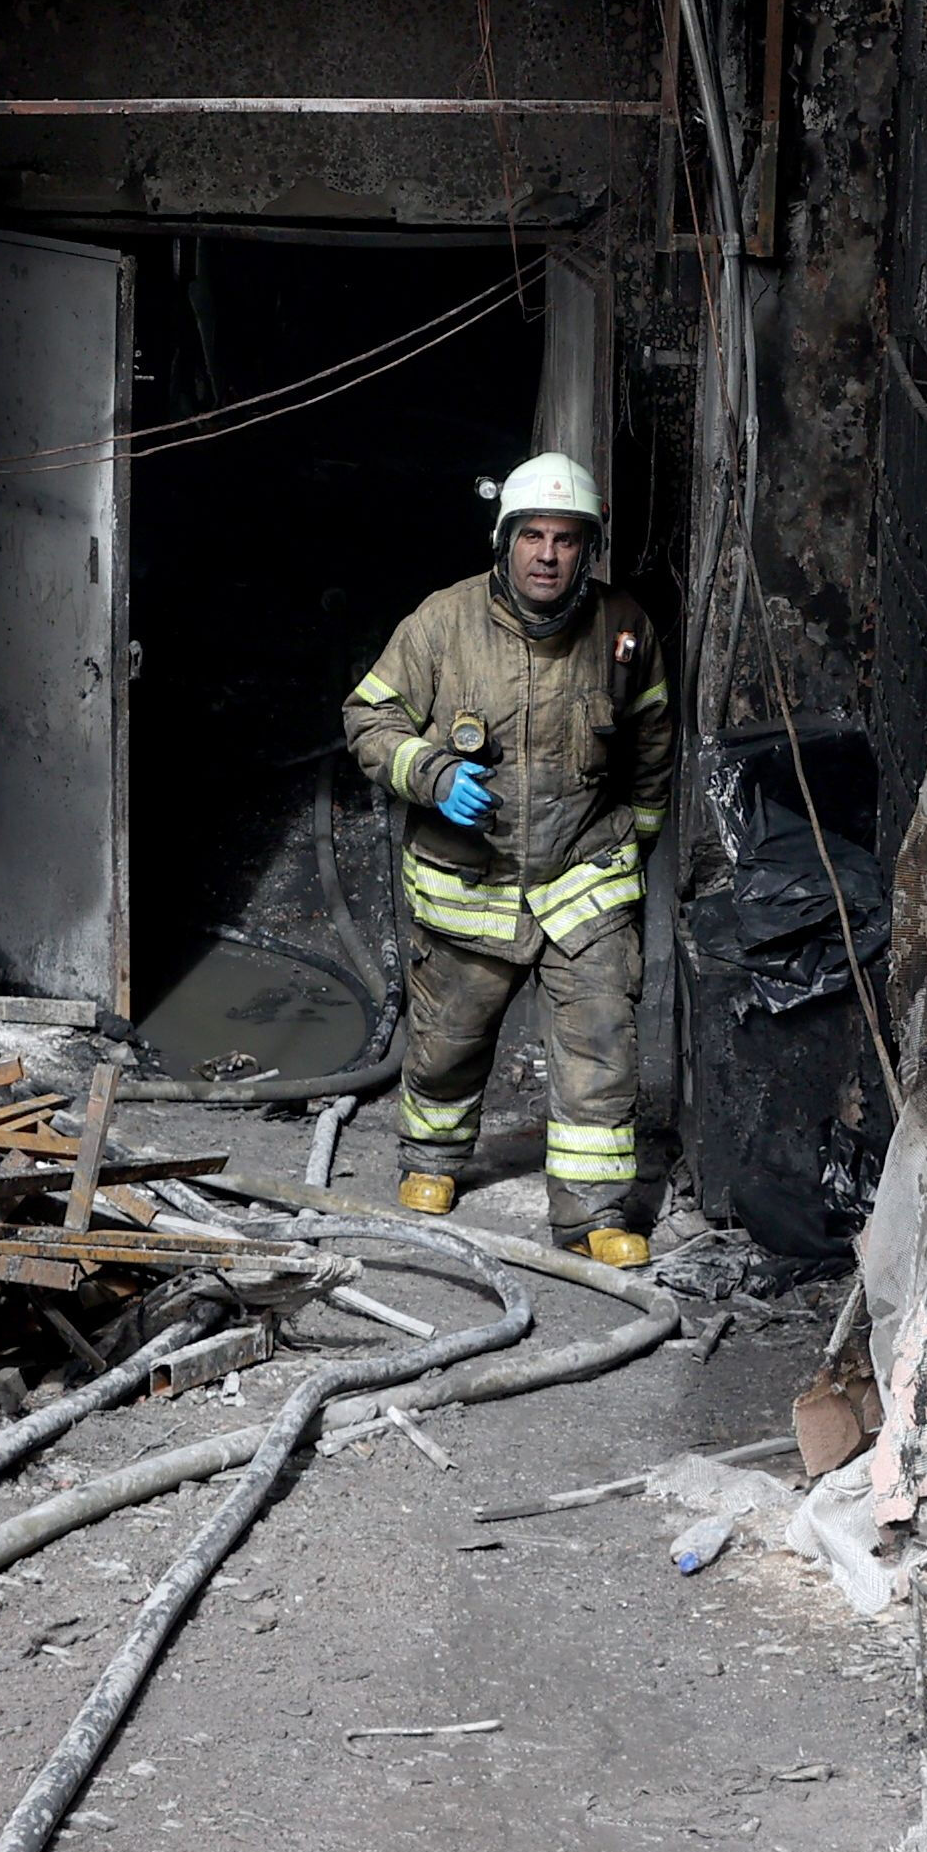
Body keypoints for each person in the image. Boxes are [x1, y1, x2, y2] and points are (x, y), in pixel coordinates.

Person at [341, 453, 671, 1266]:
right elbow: (368, 719)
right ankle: (432, 1157)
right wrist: (431, 773)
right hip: (471, 883)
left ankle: (593, 1213)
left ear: (586, 550)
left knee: (601, 1043)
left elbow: (652, 739)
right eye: (533, 537)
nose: (547, 556)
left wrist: (634, 841)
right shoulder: (442, 624)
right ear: (505, 541)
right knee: (449, 1039)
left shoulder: (623, 630)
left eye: (565, 539)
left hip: (583, 878)